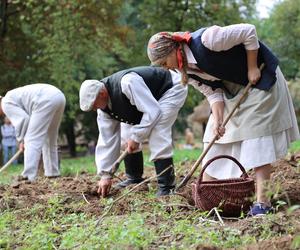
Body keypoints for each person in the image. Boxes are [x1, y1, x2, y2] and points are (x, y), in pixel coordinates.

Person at [147, 23, 300, 215]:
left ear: (174, 49)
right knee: (213, 135)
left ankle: (263, 203)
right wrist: (218, 120)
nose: (164, 67)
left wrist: (252, 67)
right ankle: (210, 195)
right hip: (232, 88)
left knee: (256, 136)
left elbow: (249, 31)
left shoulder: (207, 40)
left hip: (260, 79)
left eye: (163, 62)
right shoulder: (185, 71)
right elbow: (213, 93)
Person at [79, 66, 187, 197]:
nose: (94, 109)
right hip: (148, 102)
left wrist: (137, 137)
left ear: (102, 94)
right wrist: (106, 175)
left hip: (170, 88)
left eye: (94, 104)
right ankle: (134, 178)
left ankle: (167, 186)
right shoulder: (104, 110)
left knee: (158, 132)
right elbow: (106, 139)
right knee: (126, 135)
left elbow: (153, 111)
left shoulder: (127, 83)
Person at [0, 84, 66, 181]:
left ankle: (28, 176)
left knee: (32, 140)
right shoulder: (12, 96)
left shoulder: (5, 103)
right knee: (50, 139)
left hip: (45, 99)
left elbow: (23, 120)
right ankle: (52, 173)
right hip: (59, 96)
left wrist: (22, 140)